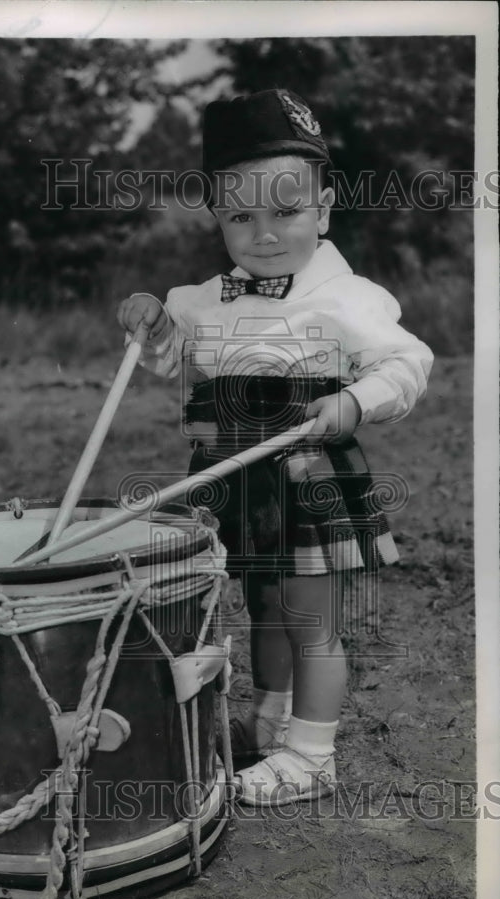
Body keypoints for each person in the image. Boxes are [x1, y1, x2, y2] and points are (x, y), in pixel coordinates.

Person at [116, 89, 434, 806]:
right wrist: (147, 321)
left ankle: (313, 753)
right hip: (230, 477)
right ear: (217, 218)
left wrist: (351, 401)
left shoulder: (347, 298)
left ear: (322, 210)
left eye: (285, 213)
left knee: (309, 618)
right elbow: (168, 357)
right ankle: (272, 711)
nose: (263, 235)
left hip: (304, 472)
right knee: (260, 605)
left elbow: (407, 363)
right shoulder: (201, 299)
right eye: (240, 217)